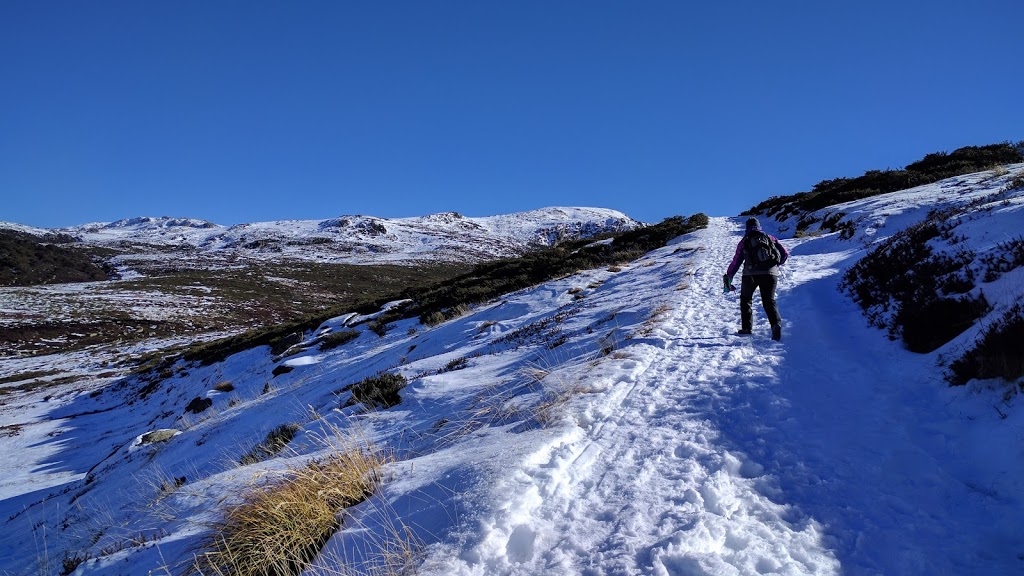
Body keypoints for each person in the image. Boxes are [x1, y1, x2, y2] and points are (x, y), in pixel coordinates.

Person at [724, 217, 789, 340]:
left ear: (747, 228)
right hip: (770, 274)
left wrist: (729, 276)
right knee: (769, 301)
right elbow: (785, 254)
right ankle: (776, 325)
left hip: (750, 275)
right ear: (759, 226)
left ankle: (747, 328)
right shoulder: (770, 238)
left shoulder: (744, 241)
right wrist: (775, 265)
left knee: (746, 300)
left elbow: (736, 262)